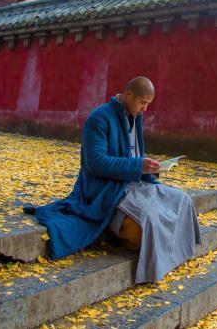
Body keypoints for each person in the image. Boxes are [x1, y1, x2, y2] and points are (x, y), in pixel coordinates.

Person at [24, 76, 201, 283]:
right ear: (128, 95)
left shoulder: (135, 116)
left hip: (135, 182)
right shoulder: (98, 119)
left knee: (182, 200)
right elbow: (96, 163)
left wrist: (151, 169)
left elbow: (133, 157)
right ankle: (140, 250)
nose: (145, 109)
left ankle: (179, 252)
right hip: (104, 188)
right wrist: (137, 166)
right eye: (143, 103)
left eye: (148, 104)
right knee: (149, 218)